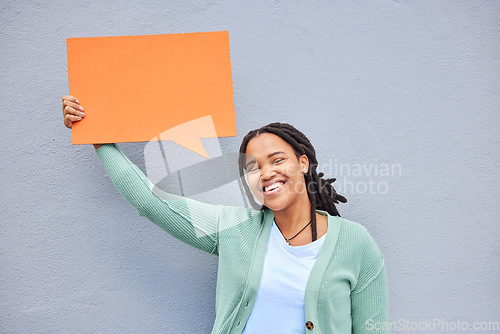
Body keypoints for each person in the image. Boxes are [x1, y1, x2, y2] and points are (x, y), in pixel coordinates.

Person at [62, 95, 389, 333]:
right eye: (253, 167)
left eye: (277, 160)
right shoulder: (234, 227)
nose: (266, 173)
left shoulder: (355, 243)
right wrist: (98, 138)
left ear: (303, 163)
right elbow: (152, 203)